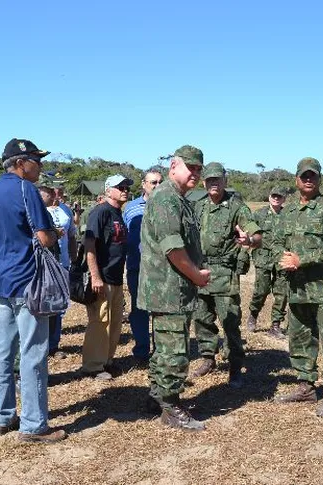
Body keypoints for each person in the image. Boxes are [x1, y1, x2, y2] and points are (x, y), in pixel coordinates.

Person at [0, 137, 65, 443]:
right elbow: (44, 239)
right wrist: (55, 234)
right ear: (20, 163)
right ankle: (33, 425)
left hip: (0, 282)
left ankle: (2, 418)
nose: (39, 166)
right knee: (33, 354)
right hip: (28, 283)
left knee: (2, 353)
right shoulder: (26, 190)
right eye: (35, 160)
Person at [138, 145, 210, 431]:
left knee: (165, 348)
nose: (194, 173)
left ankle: (157, 397)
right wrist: (196, 276)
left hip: (172, 289)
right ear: (173, 167)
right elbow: (173, 248)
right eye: (189, 167)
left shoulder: (179, 200)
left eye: (198, 169)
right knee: (174, 351)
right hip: (169, 291)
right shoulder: (167, 199)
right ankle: (170, 406)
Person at [272, 157, 323, 417]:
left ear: (319, 179)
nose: (308, 179)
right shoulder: (290, 212)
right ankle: (305, 386)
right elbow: (277, 242)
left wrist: (301, 260)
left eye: (313, 175)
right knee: (300, 339)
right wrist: (281, 259)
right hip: (298, 290)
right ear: (296, 179)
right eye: (304, 175)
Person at [190, 162, 262, 388]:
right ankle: (207, 358)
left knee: (230, 322)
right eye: (209, 180)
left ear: (225, 181)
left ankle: (235, 366)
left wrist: (248, 240)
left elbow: (256, 234)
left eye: (217, 180)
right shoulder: (198, 206)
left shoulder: (236, 207)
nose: (213, 184)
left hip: (224, 273)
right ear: (204, 183)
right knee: (201, 318)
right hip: (200, 271)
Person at [79, 174, 132, 380]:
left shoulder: (118, 213)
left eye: (126, 186)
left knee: (115, 322)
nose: (125, 190)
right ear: (108, 190)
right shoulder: (99, 213)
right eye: (121, 186)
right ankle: (92, 366)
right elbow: (89, 245)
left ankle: (107, 361)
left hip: (116, 277)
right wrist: (95, 276)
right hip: (102, 277)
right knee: (99, 322)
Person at [122, 168, 164, 365]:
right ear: (144, 184)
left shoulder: (167, 206)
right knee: (138, 310)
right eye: (153, 182)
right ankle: (141, 351)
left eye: (159, 182)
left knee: (160, 311)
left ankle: (160, 351)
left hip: (161, 269)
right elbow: (123, 236)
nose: (156, 186)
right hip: (137, 267)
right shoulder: (130, 207)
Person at [37, 174, 77, 358]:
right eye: (55, 188)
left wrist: (74, 258)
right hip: (44, 264)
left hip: (62, 263)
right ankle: (40, 343)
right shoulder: (39, 209)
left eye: (61, 188)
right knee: (42, 304)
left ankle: (53, 344)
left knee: (58, 306)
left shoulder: (66, 211)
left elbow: (72, 236)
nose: (58, 192)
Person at [247, 186, 289, 339]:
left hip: (281, 260)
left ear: (284, 198)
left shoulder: (288, 215)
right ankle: (253, 315)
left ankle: (275, 325)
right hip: (262, 258)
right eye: (274, 195)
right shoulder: (259, 214)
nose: (276, 198)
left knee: (281, 293)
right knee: (261, 290)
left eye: (280, 196)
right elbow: (250, 233)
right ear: (269, 196)